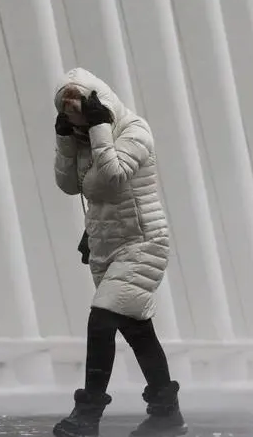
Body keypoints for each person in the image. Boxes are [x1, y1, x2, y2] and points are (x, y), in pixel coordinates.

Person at [52, 67, 186, 437]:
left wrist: (99, 129)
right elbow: (69, 185)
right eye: (67, 117)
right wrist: (66, 140)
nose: (74, 121)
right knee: (138, 331)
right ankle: (166, 414)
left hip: (143, 242)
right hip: (106, 244)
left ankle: (87, 415)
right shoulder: (81, 139)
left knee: (102, 319)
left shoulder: (134, 131)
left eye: (79, 112)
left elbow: (112, 179)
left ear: (99, 105)